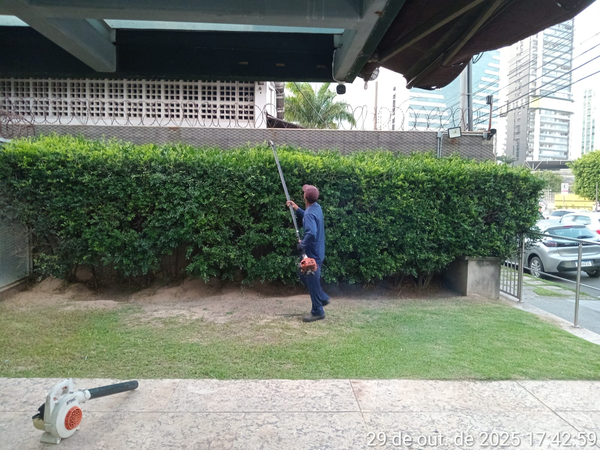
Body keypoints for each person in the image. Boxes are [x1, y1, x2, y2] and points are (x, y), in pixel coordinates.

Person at [286, 184, 330, 322]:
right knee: (303, 274)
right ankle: (321, 297)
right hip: (318, 250)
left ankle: (317, 311)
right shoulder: (316, 208)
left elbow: (311, 232)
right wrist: (297, 209)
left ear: (305, 196)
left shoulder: (310, 213)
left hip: (312, 254)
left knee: (311, 279)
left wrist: (302, 244)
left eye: (304, 192)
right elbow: (309, 217)